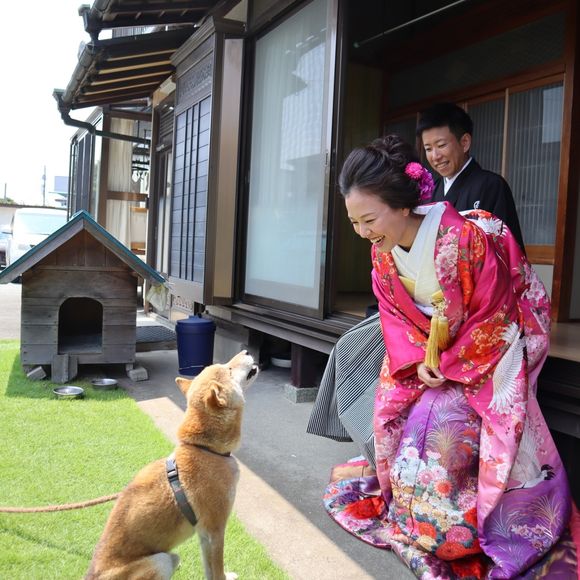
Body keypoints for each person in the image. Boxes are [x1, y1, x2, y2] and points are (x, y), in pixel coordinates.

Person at [308, 135, 579, 578]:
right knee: (391, 411)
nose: (362, 232)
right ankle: (413, 510)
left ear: (402, 205)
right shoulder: (382, 255)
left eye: (369, 220)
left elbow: (494, 311)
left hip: (486, 349)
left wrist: (451, 365)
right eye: (354, 222)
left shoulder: (463, 239)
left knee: (443, 423)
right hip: (426, 352)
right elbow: (394, 316)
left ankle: (470, 525)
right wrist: (420, 361)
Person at [417, 102, 525, 251]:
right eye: (428, 149)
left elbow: (506, 250)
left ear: (465, 143)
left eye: (441, 145)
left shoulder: (491, 186)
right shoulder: (432, 191)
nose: (435, 156)